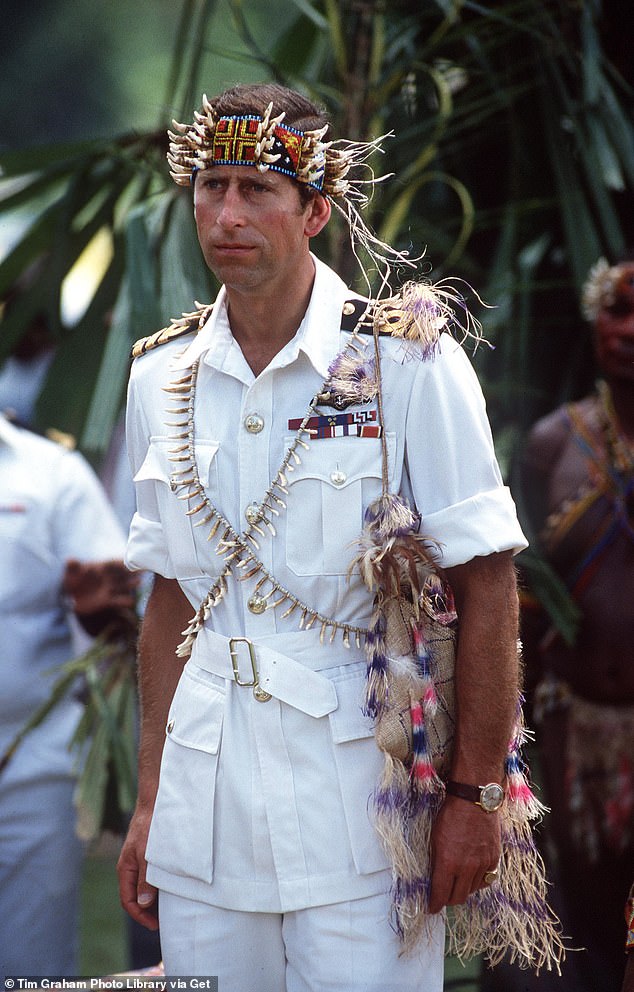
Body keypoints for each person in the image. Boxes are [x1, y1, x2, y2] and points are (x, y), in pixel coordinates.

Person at [117, 83, 551, 991]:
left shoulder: (408, 359)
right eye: (211, 186)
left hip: (365, 805)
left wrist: (472, 798)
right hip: (206, 810)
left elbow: (487, 582)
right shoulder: (162, 375)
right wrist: (151, 799)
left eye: (257, 190)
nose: (227, 213)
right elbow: (168, 599)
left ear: (316, 209)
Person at [514, 258, 634, 991]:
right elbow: (520, 604)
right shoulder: (551, 446)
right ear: (593, 327)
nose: (627, 332)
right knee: (589, 925)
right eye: (615, 313)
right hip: (575, 731)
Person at [0, 412, 137, 979]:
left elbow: (117, 629)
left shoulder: (50, 472)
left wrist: (101, 614)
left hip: (30, 765)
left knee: (31, 965)